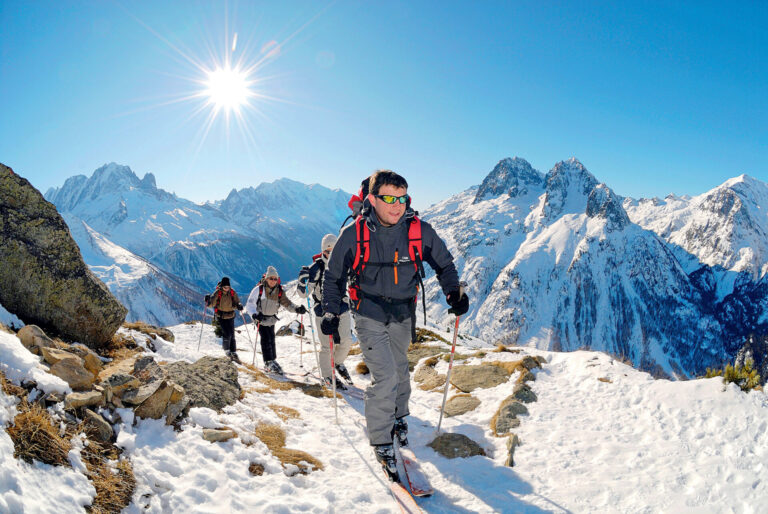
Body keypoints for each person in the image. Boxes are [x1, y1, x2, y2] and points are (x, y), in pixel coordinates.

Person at [321, 170, 469, 480]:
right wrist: (331, 313)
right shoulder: (354, 234)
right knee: (385, 376)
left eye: (402, 198)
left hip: (403, 312)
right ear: (372, 199)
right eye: (389, 198)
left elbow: (444, 264)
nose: (397, 205)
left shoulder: (419, 231)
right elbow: (333, 277)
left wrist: (453, 292)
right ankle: (381, 441)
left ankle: (400, 416)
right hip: (368, 313)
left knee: (400, 368)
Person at [297, 234, 354, 390]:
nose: (331, 253)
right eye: (327, 251)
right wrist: (301, 282)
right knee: (327, 346)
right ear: (323, 251)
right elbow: (303, 294)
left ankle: (336, 363)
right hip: (323, 311)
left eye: (333, 250)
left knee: (346, 341)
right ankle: (328, 376)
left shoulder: (343, 263)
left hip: (342, 308)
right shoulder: (317, 268)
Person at [245, 266, 306, 374]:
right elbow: (250, 304)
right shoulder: (259, 290)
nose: (273, 281)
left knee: (271, 339)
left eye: (275, 279)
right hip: (261, 319)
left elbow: (287, 304)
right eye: (271, 278)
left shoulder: (279, 291)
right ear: (266, 278)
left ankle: (272, 360)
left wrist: (297, 309)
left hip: (271, 319)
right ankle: (268, 362)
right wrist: (254, 315)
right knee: (266, 339)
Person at [205, 276, 244, 363]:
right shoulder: (218, 293)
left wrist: (239, 305)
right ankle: (227, 350)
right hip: (221, 316)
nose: (226, 289)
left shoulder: (232, 292)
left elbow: (236, 302)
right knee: (227, 333)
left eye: (228, 287)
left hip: (231, 315)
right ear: (222, 286)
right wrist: (208, 301)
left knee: (232, 335)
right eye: (225, 287)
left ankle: (233, 351)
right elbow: (212, 304)